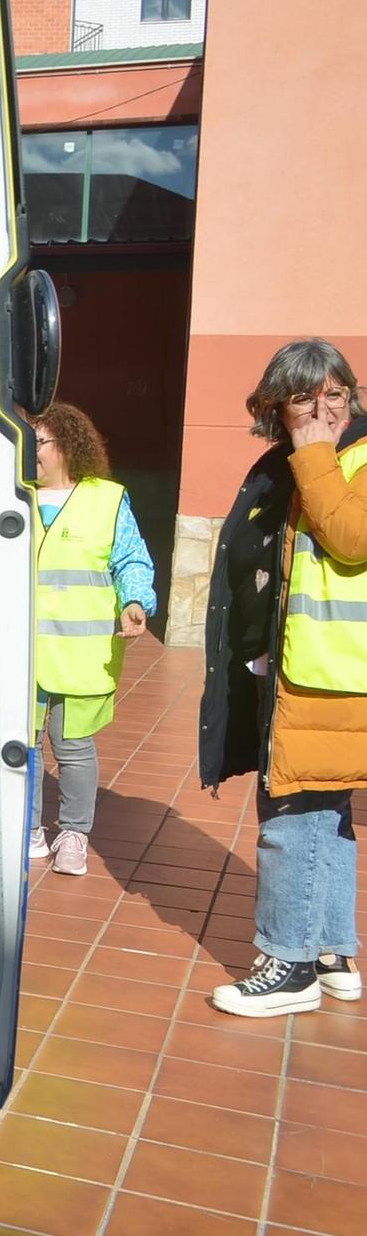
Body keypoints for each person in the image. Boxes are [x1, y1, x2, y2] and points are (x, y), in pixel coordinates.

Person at [200, 338, 367, 1018]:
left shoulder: (342, 458)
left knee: (291, 809)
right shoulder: (302, 461)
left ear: (353, 393)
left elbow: (351, 537)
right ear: (276, 404)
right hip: (311, 665)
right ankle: (331, 952)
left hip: (330, 670)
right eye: (303, 396)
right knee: (324, 809)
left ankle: (287, 963)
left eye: (334, 392)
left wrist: (315, 450)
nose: (321, 408)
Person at [27, 402, 156, 876]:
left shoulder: (107, 499)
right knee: (21, 745)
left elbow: (131, 560)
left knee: (72, 745)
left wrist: (136, 601)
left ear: (66, 445)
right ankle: (28, 831)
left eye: (37, 443)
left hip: (82, 653)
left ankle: (74, 834)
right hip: (22, 652)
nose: (30, 453)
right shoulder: (13, 496)